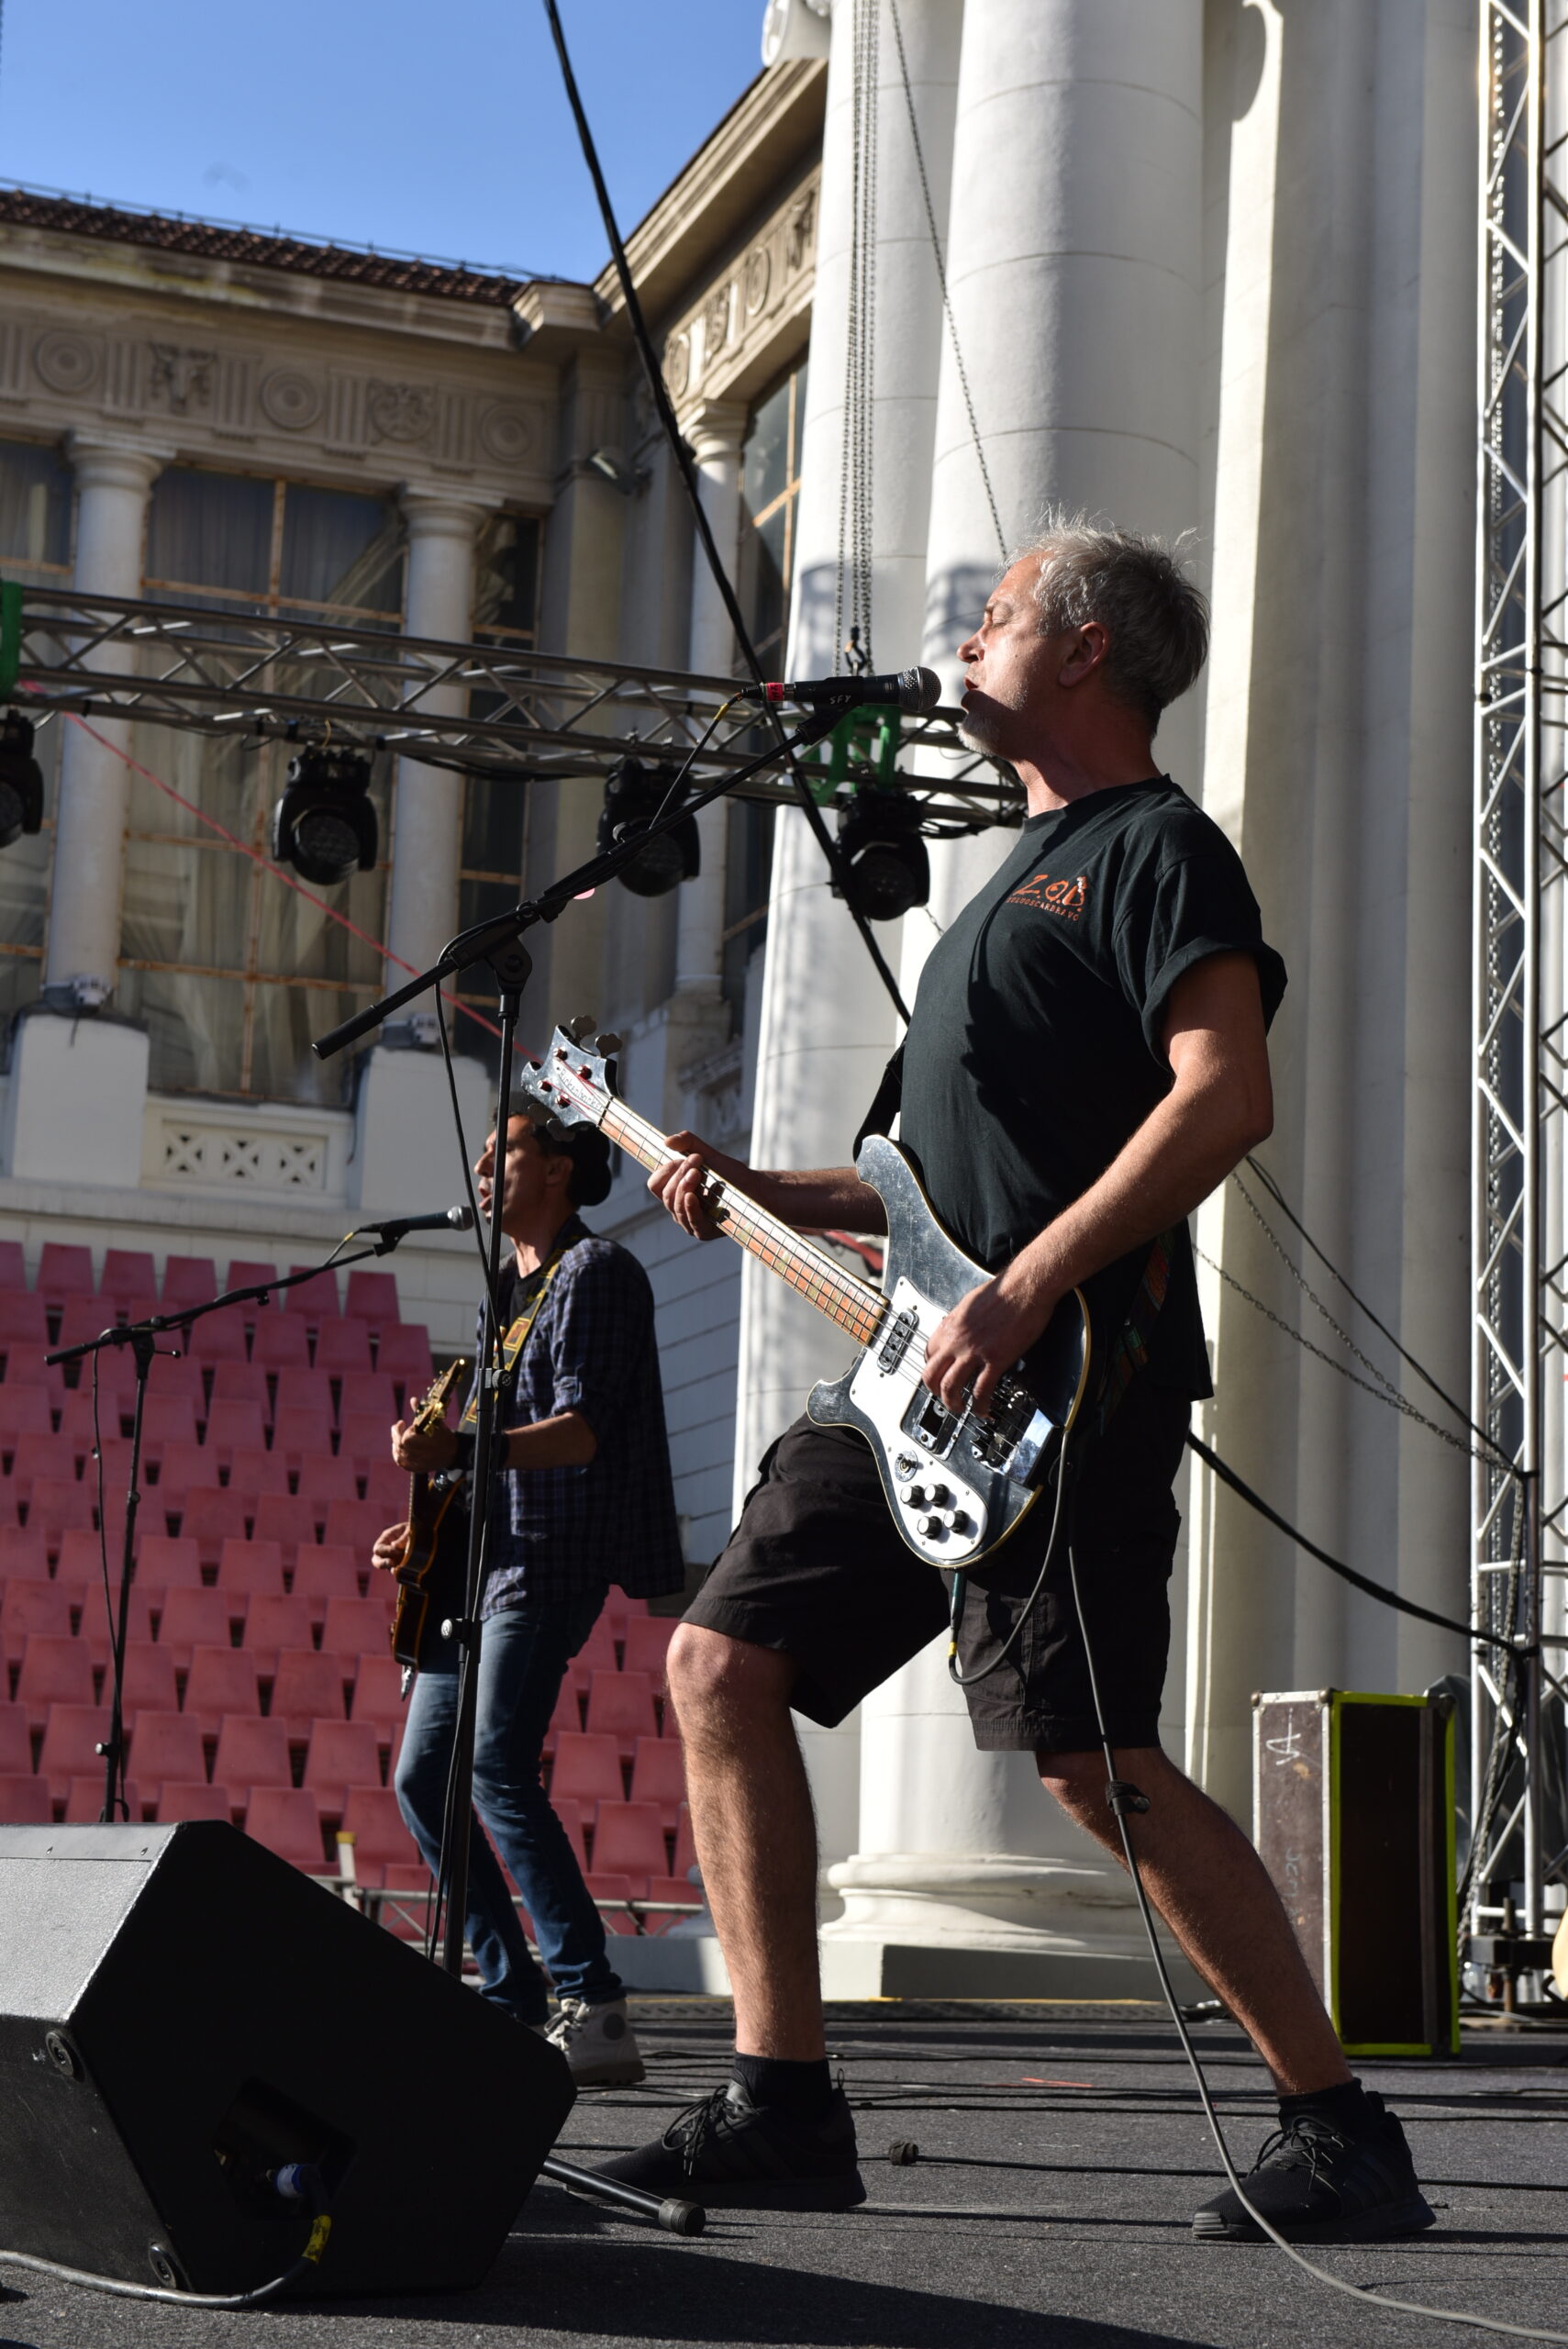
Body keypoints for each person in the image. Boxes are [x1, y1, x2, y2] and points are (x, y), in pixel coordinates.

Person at [595, 517, 1436, 2239]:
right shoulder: (995, 889)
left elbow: (1223, 1095)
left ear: (1082, 649)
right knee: (716, 1664)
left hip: (1072, 1381)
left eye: (992, 616)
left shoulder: (1156, 851)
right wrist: (749, 1185)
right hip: (919, 1379)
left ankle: (1340, 2128)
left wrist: (1029, 1287)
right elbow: (906, 1184)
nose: (963, 639)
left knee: (1089, 1763)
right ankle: (778, 2102)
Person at [373, 1105, 684, 2084]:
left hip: (550, 1557)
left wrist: (457, 1446)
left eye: (500, 1150)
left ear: (557, 1167)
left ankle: (593, 2004)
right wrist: (431, 1522)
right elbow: (494, 1454)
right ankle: (509, 1996)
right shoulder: (502, 1294)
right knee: (422, 1779)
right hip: (483, 1561)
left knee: (493, 1766)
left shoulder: (596, 1273)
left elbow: (580, 1432)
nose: (479, 1167)